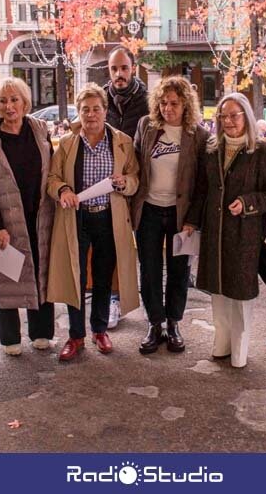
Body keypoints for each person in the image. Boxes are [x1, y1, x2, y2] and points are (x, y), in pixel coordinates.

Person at [184, 93, 266, 368]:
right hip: (215, 231)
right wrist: (192, 221)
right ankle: (222, 343)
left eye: (234, 115)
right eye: (223, 116)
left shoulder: (263, 151)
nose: (228, 121)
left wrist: (247, 203)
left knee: (240, 294)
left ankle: (239, 350)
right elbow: (202, 191)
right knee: (218, 292)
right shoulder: (212, 149)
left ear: (246, 116)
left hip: (245, 234)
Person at [46, 83, 140, 361]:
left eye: (96, 109)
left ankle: (99, 329)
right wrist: (62, 190)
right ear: (78, 112)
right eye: (84, 110)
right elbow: (52, 179)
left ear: (105, 110)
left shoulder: (122, 141)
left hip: (109, 217)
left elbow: (136, 179)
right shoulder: (67, 143)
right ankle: (76, 336)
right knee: (75, 275)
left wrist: (125, 183)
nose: (90, 115)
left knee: (102, 275)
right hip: (77, 217)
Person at [131, 76, 209, 354]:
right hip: (149, 209)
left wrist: (193, 219)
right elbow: (136, 164)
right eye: (163, 103)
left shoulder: (198, 135)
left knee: (178, 270)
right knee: (149, 270)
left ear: (186, 105)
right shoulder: (147, 126)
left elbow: (202, 183)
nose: (168, 109)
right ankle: (155, 323)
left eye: (174, 103)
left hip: (180, 214)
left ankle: (174, 322)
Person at [0, 77, 56, 355]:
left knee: (42, 271)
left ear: (25, 103)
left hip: (40, 215)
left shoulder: (39, 129)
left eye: (14, 100)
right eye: (3, 101)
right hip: (6, 219)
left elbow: (52, 168)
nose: (9, 106)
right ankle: (10, 338)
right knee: (6, 275)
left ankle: (42, 332)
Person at [103, 45, 150, 328]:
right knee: (112, 245)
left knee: (145, 246)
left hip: (141, 183)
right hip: (111, 184)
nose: (119, 74)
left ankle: (147, 296)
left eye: (124, 68)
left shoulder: (147, 101)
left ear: (133, 68)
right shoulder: (102, 98)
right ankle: (113, 299)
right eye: (114, 69)